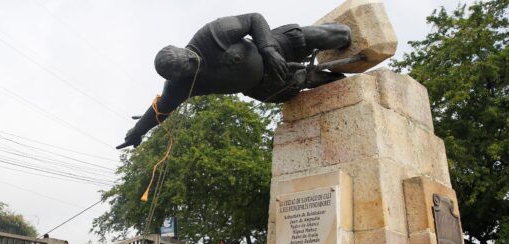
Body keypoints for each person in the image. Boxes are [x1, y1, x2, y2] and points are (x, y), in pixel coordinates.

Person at [117, 14, 351, 149]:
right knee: (333, 84)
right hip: (268, 88)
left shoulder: (209, 36)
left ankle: (329, 49)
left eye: (189, 61)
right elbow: (161, 109)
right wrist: (137, 131)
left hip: (276, 48)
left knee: (343, 35)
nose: (191, 67)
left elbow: (253, 19)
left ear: (183, 50)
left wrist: (269, 50)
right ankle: (312, 77)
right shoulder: (180, 86)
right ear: (178, 77)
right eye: (185, 71)